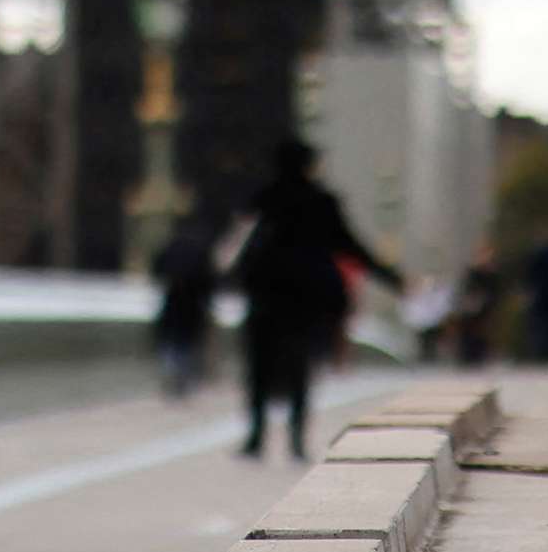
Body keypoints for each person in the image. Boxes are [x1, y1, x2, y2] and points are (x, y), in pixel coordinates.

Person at [229, 139, 399, 461]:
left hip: (265, 295)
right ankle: (295, 439)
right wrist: (394, 279)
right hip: (304, 300)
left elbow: (238, 247)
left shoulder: (262, 199)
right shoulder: (321, 202)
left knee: (259, 367)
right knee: (299, 368)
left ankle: (256, 436)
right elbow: (351, 247)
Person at [152, 218, 218, 399]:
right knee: (187, 343)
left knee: (171, 341)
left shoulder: (169, 249)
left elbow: (157, 270)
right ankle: (183, 379)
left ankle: (171, 371)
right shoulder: (201, 252)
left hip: (172, 302)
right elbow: (209, 280)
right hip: (193, 305)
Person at [452, 244, 501, 368]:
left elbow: (496, 290)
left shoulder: (492, 273)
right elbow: (466, 289)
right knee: (470, 333)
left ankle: (480, 358)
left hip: (486, 307)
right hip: (472, 307)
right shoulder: (473, 272)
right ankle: (467, 358)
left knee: (483, 333)